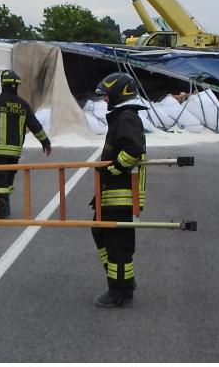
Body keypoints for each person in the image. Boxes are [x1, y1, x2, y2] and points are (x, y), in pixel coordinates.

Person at [91, 72, 147, 308]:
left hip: (120, 193)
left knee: (118, 246)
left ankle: (118, 292)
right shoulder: (121, 117)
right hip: (111, 193)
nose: (104, 100)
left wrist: (113, 169)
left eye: (106, 96)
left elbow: (134, 150)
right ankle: (125, 282)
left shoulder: (126, 117)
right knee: (100, 232)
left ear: (117, 93)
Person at [0, 69, 52, 219]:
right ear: (17, 86)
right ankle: (4, 204)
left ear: (2, 84)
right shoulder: (23, 105)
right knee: (8, 180)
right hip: (15, 152)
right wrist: (45, 142)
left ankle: (3, 209)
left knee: (1, 180)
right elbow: (35, 125)